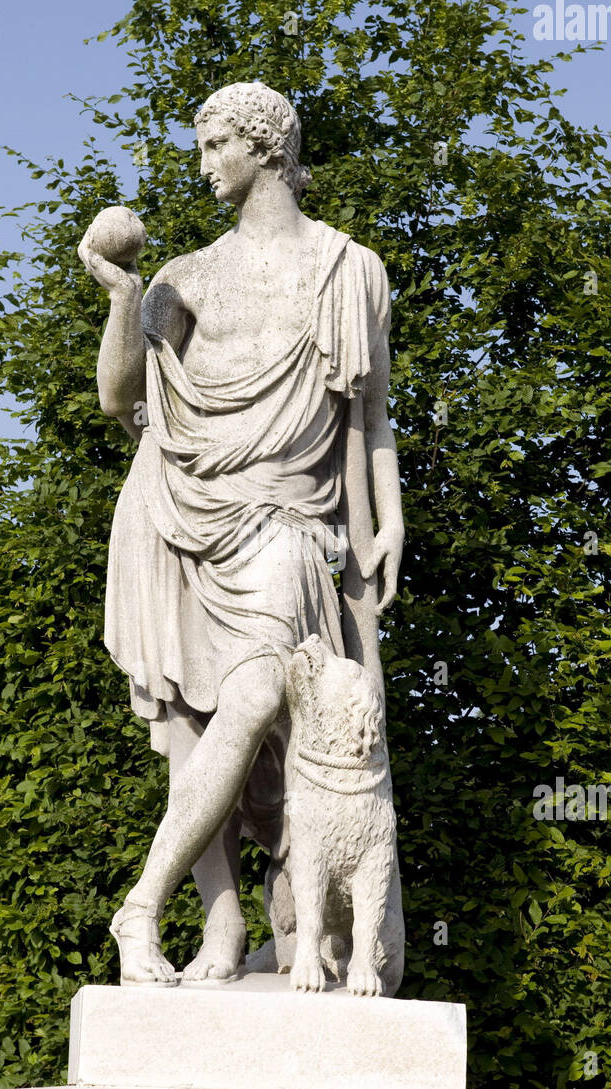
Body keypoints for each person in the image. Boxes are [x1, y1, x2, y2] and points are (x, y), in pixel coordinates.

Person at [78, 81, 403, 982]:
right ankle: (214, 931)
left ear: (264, 146)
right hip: (173, 507)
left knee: (262, 700)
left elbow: (368, 414)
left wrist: (384, 519)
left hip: (290, 521)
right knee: (194, 726)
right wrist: (123, 296)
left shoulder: (350, 269)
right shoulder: (186, 275)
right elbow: (119, 399)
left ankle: (149, 910)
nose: (204, 162)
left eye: (216, 142)